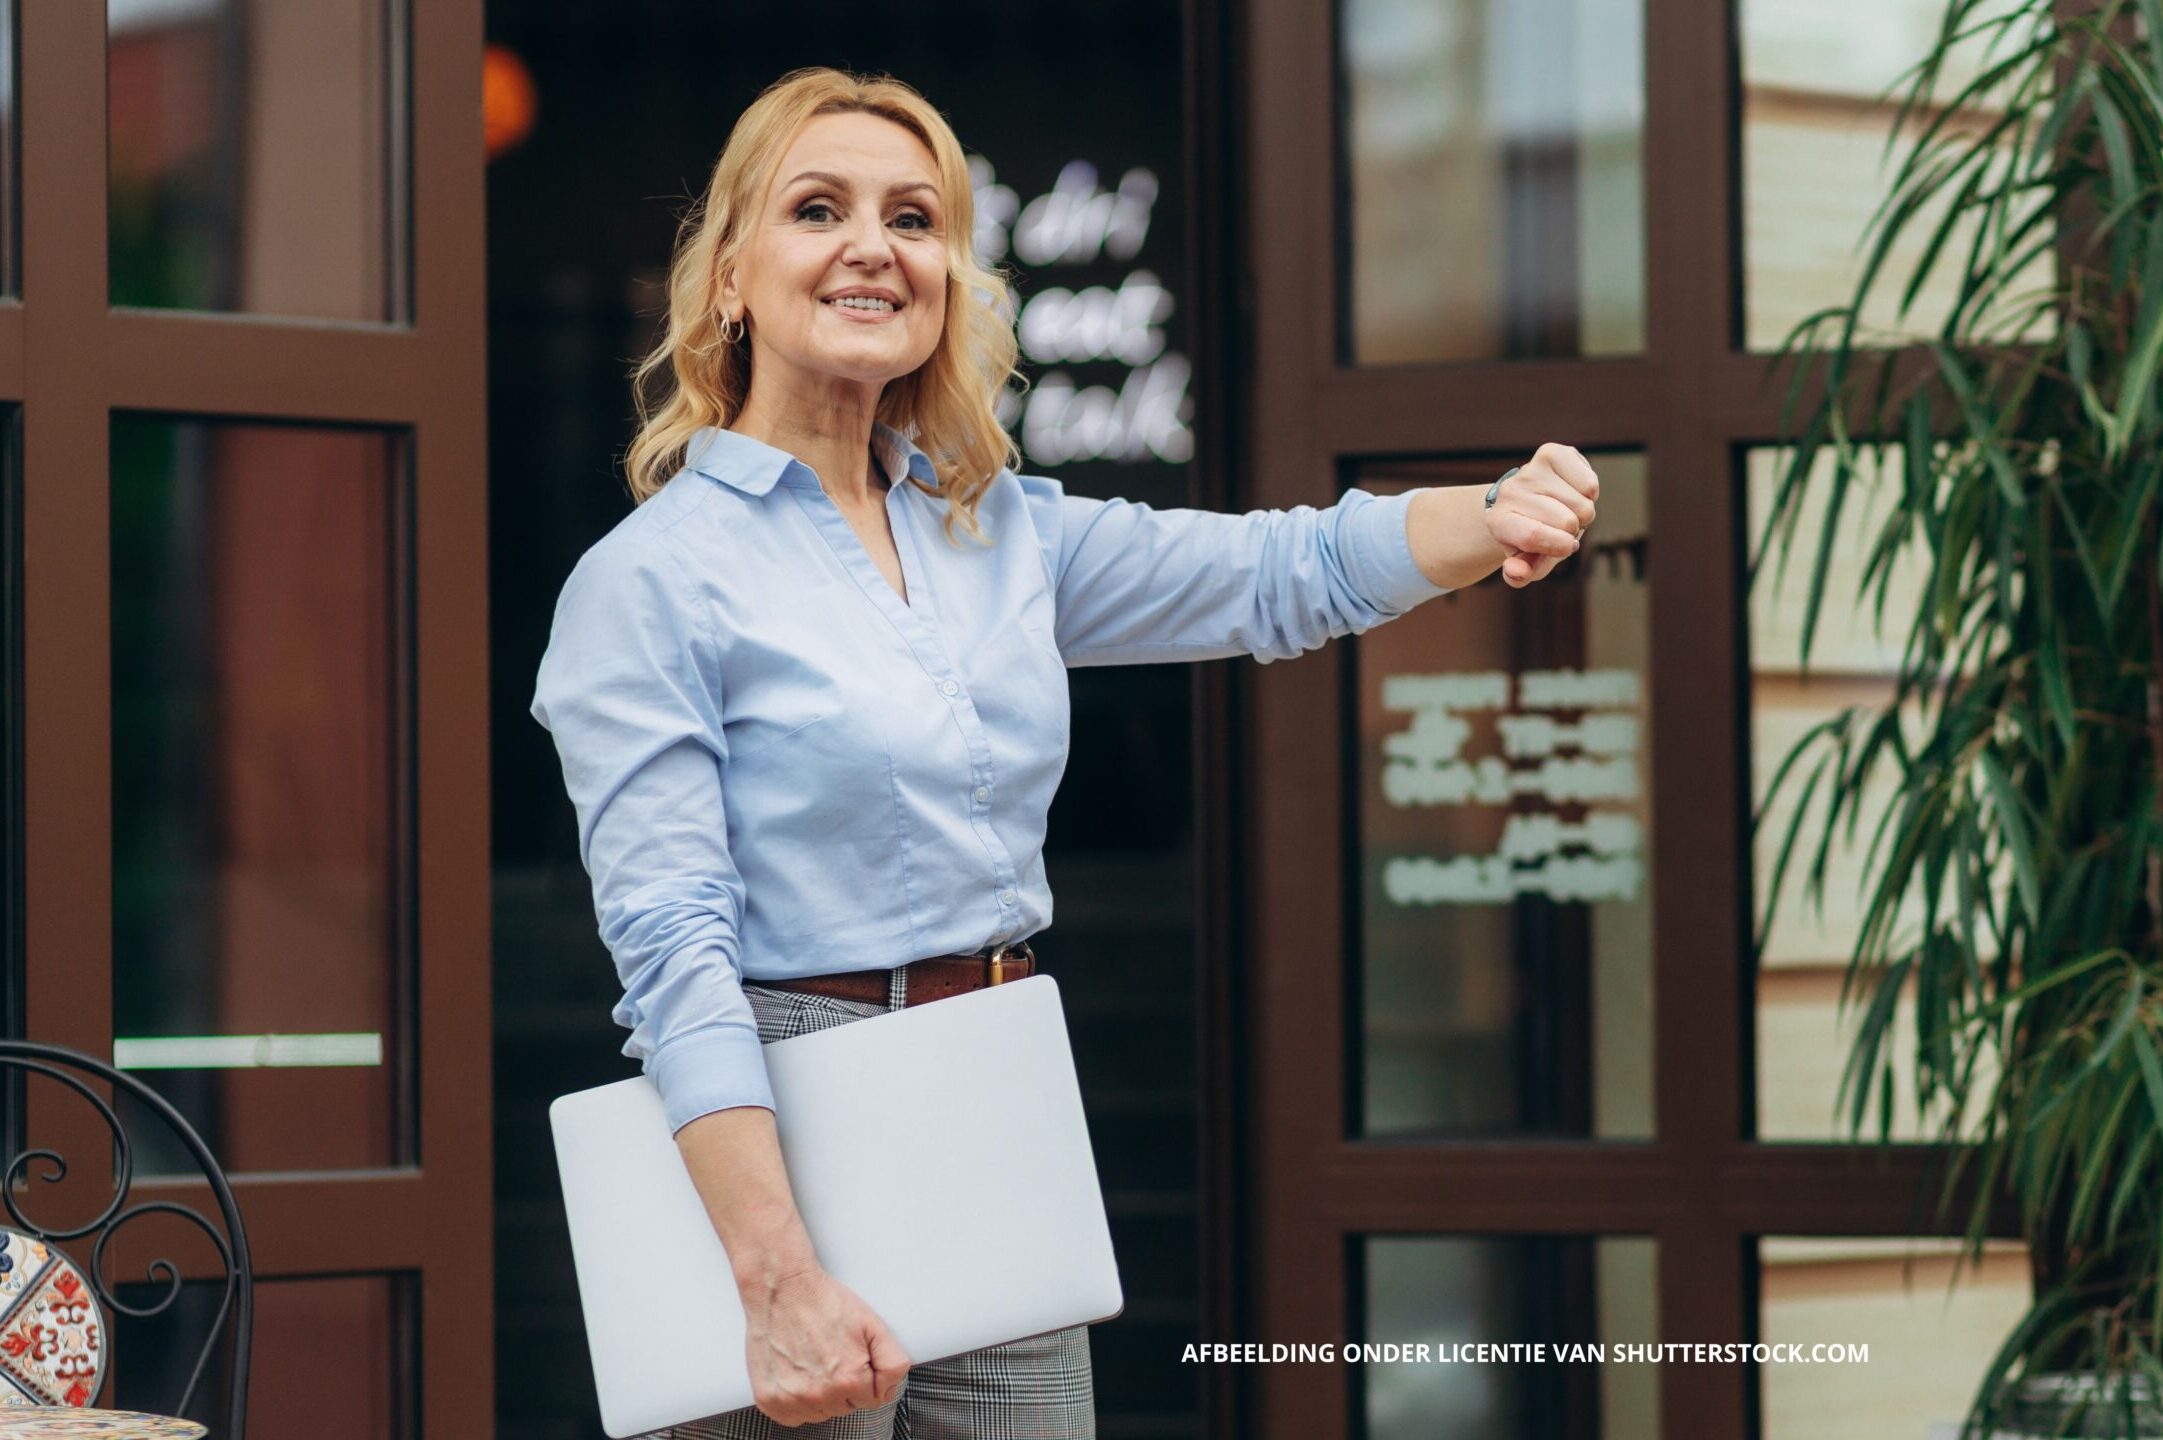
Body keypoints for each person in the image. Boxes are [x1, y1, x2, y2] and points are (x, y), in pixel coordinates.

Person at [530, 65, 1597, 1440]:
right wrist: (776, 1274)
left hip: (989, 1100)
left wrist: (1493, 512)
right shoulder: (649, 583)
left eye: (915, 218)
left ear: (950, 277)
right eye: (818, 208)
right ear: (732, 274)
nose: (874, 245)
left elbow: (1281, 573)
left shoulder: (1000, 533)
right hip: (776, 1116)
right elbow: (674, 949)